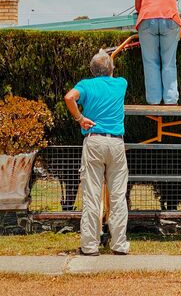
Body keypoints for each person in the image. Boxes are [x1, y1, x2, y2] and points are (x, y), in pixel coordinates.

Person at [64, 49, 129, 256]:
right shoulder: (121, 84)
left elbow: (69, 97)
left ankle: (90, 245)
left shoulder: (86, 85)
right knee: (118, 196)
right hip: (116, 144)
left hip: (93, 141)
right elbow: (111, 69)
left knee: (92, 195)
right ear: (111, 68)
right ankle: (119, 245)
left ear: (92, 70)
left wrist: (79, 118)